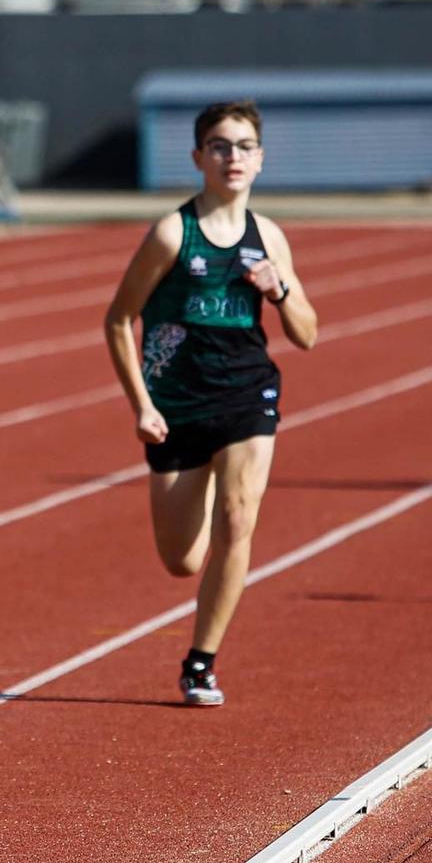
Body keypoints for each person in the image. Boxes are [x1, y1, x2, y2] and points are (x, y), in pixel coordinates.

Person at [102, 100, 318, 708]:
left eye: (244, 146)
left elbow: (307, 332)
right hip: (175, 407)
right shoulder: (173, 233)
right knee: (181, 560)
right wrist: (141, 404)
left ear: (261, 159)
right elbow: (118, 320)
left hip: (248, 392)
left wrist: (281, 290)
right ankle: (205, 559)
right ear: (199, 157)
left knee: (240, 516)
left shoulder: (269, 237)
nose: (233, 157)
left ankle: (201, 661)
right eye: (220, 146)